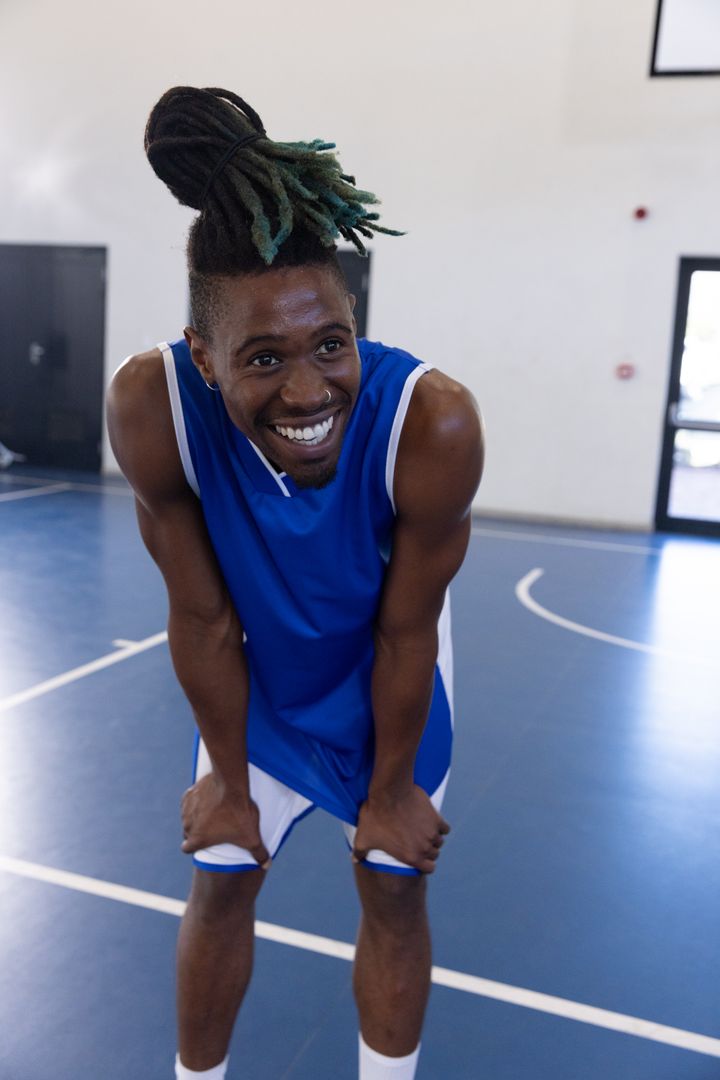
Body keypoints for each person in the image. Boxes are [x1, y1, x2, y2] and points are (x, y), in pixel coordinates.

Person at [106, 86, 483, 1080]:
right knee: (223, 875)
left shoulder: (431, 422)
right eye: (264, 357)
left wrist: (391, 792)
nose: (309, 389)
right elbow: (201, 618)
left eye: (330, 343)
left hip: (385, 673)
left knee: (393, 884)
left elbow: (407, 633)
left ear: (354, 320)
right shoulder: (154, 406)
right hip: (260, 674)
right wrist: (229, 786)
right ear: (204, 356)